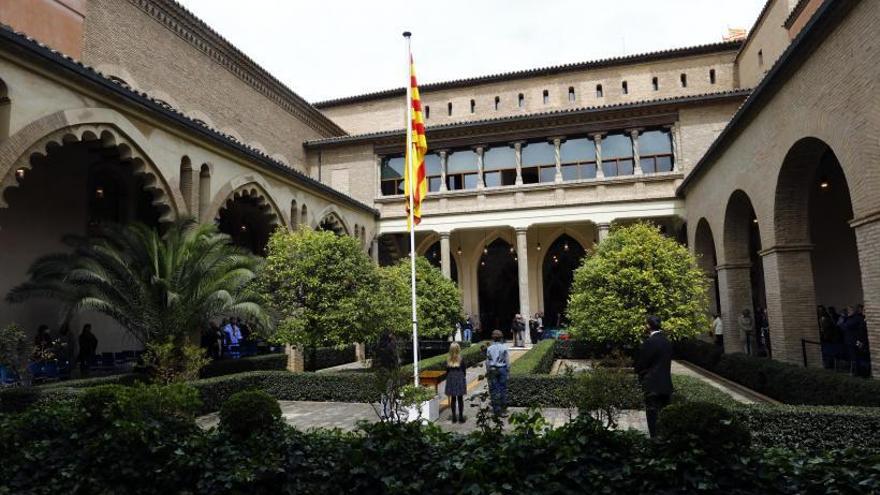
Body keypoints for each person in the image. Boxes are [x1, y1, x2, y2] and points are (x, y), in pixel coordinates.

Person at [634, 315, 673, 438]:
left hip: (652, 384)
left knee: (652, 415)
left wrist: (640, 373)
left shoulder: (649, 342)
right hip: (666, 384)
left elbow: (641, 363)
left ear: (649, 326)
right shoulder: (667, 341)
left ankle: (655, 441)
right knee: (665, 415)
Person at [485, 330, 509, 416]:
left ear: (493, 337)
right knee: (503, 389)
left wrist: (488, 372)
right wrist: (508, 372)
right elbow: (507, 362)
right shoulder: (504, 347)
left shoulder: (489, 348)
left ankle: (497, 410)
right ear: (501, 337)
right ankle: (503, 410)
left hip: (492, 369)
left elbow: (487, 362)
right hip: (502, 369)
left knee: (494, 390)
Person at [445, 342, 467, 423]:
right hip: (460, 377)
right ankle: (460, 416)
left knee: (453, 398)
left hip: (451, 378)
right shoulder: (461, 358)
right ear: (458, 349)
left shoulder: (448, 359)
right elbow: (464, 370)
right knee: (460, 398)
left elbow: (447, 371)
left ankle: (454, 417)